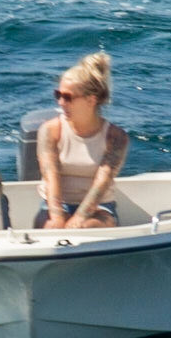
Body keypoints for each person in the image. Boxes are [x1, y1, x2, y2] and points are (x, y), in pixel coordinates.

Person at [35, 51, 128, 229]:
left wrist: (79, 218)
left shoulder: (116, 137)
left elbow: (102, 182)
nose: (61, 102)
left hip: (99, 207)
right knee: (52, 226)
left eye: (68, 97)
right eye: (58, 95)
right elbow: (51, 175)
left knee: (86, 226)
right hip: (57, 204)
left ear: (91, 100)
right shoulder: (50, 130)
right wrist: (57, 216)